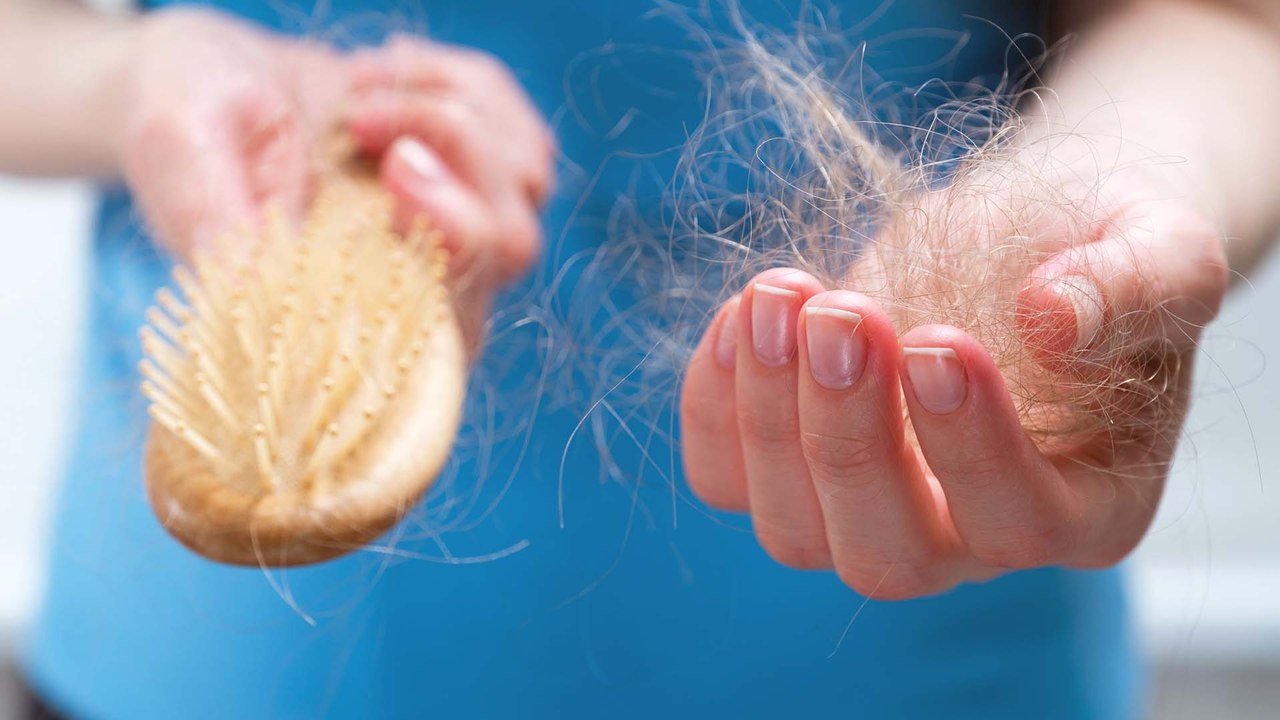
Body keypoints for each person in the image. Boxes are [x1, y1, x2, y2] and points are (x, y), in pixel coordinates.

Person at [1, 0, 1277, 718]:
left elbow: (1227, 25)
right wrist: (128, 78)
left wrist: (1117, 190)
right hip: (194, 671)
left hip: (924, 655)